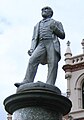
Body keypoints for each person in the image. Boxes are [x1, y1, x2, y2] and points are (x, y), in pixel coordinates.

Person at [15, 6, 65, 87]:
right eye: (42, 10)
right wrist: (32, 48)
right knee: (32, 60)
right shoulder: (37, 25)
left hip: (51, 43)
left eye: (46, 9)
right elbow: (34, 38)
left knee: (52, 63)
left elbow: (62, 35)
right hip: (41, 43)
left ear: (50, 13)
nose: (43, 10)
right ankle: (27, 80)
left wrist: (55, 28)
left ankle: (50, 83)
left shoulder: (57, 23)